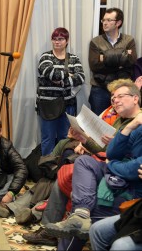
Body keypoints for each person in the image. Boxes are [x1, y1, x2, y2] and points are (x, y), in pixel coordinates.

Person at [44, 83, 142, 249]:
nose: (115, 101)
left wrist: (112, 165)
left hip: (129, 187)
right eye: (113, 98)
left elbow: (133, 167)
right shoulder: (127, 122)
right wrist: (129, 128)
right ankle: (79, 213)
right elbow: (111, 152)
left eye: (120, 96)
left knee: (79, 204)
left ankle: (76, 216)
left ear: (135, 98)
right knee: (81, 162)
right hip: (111, 170)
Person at [37, 27, 85, 155]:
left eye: (61, 39)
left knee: (66, 138)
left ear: (67, 41)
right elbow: (50, 73)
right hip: (48, 105)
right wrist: (68, 74)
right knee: (48, 138)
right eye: (54, 39)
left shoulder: (74, 58)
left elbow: (80, 78)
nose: (57, 42)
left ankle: (63, 167)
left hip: (68, 105)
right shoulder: (45, 57)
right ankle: (47, 167)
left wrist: (61, 80)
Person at [88, 7, 137, 115]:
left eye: (109, 20)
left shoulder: (129, 40)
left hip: (123, 89)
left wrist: (104, 58)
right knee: (98, 122)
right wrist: (121, 59)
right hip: (100, 89)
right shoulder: (95, 42)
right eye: (103, 20)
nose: (105, 23)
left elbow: (131, 61)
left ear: (118, 23)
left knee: (121, 122)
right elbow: (94, 66)